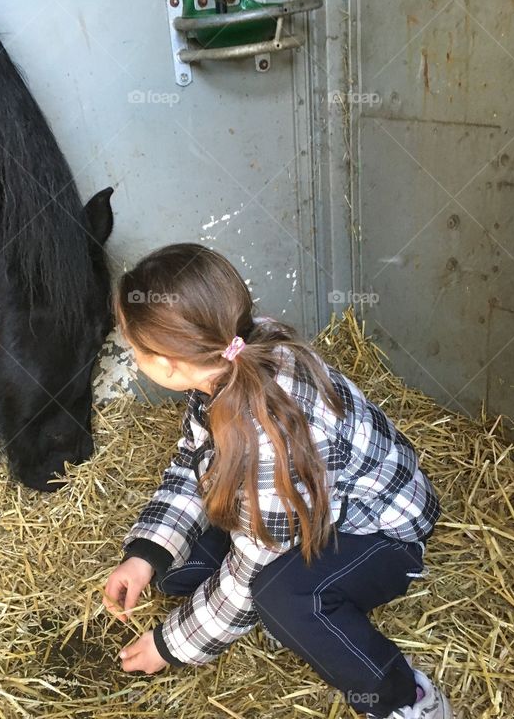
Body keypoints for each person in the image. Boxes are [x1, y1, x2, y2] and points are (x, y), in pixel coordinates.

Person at [102, 243, 451, 719]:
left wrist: (171, 644)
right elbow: (193, 460)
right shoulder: (230, 356)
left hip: (380, 533)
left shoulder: (264, 435)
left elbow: (249, 573)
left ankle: (403, 698)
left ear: (168, 365)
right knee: (174, 571)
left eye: (132, 345)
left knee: (280, 597)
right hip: (301, 509)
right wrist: (146, 554)